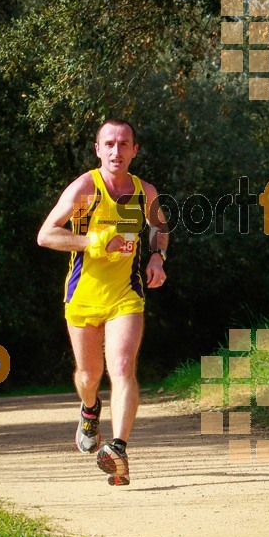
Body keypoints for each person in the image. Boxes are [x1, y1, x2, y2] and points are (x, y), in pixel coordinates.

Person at [37, 119, 168, 486]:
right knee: (88, 376)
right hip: (83, 298)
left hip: (126, 295)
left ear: (134, 150)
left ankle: (118, 447)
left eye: (124, 144)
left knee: (123, 367)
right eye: (109, 143)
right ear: (98, 150)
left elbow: (160, 229)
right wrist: (94, 243)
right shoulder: (85, 188)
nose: (116, 150)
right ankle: (89, 408)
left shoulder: (146, 192)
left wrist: (157, 257)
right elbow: (46, 235)